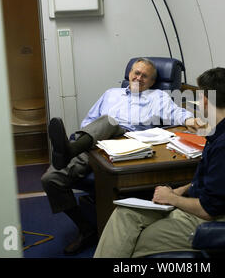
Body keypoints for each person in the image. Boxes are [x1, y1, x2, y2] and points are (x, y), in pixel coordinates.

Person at [93, 67, 225, 258]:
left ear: (205, 100)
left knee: (133, 242)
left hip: (214, 221)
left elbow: (209, 210)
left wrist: (172, 199)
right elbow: (213, 179)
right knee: (125, 213)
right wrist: (180, 190)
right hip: (197, 204)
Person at [41, 58, 202, 255]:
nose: (138, 78)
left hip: (130, 146)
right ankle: (86, 229)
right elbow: (89, 121)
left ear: (152, 82)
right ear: (129, 74)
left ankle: (70, 149)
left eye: (145, 76)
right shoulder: (111, 94)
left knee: (109, 121)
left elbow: (176, 112)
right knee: (51, 179)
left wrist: (190, 118)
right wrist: (90, 138)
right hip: (95, 145)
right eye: (136, 73)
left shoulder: (158, 96)